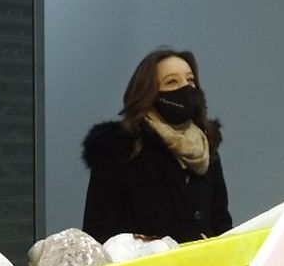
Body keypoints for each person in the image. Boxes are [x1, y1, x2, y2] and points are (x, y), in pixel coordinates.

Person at [81, 48, 232, 243]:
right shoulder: (120, 149)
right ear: (149, 93)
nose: (185, 88)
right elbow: (99, 234)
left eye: (190, 80)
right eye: (172, 82)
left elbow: (222, 226)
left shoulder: (206, 148)